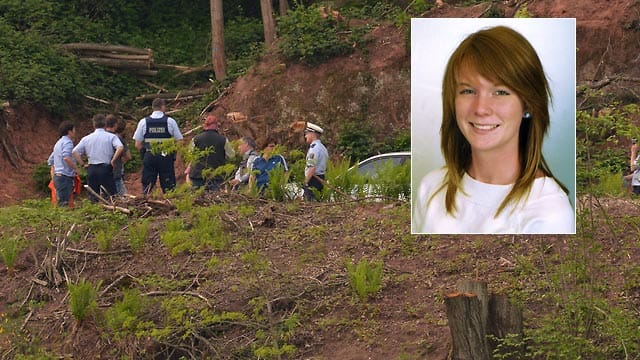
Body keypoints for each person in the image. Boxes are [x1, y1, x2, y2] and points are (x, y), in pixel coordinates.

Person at [413, 25, 574, 234]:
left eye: (500, 92)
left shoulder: (549, 213)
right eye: (468, 90)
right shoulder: (431, 188)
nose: (480, 108)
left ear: (528, 104)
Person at [133, 98, 184, 194]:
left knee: (147, 185)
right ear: (163, 107)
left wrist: (145, 154)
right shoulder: (170, 121)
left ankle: (146, 203)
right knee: (168, 185)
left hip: (149, 156)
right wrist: (175, 154)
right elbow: (180, 141)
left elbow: (137, 144)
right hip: (165, 157)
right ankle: (170, 203)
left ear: (152, 108)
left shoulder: (143, 122)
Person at [72, 114, 124, 200]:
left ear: (93, 125)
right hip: (106, 168)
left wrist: (82, 164)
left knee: (93, 196)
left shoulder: (87, 138)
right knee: (111, 195)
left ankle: (94, 210)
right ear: (105, 124)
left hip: (92, 168)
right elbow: (120, 147)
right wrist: (113, 160)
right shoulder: (111, 137)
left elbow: (75, 152)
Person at [185, 114, 235, 191]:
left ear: (206, 125)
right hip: (216, 176)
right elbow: (232, 155)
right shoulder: (223, 140)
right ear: (215, 125)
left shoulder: (196, 139)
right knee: (216, 200)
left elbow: (190, 155)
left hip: (197, 175)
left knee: (196, 199)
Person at [47, 121, 80, 207]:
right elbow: (66, 157)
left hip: (58, 176)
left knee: (61, 202)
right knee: (64, 203)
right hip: (65, 177)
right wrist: (76, 168)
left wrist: (53, 176)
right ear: (69, 131)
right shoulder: (68, 143)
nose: (75, 132)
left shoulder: (58, 143)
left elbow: (51, 161)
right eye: (74, 130)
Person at [106, 115, 132, 196]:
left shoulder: (100, 137)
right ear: (115, 125)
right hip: (115, 171)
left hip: (101, 172)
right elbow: (128, 156)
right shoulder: (118, 138)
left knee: (105, 196)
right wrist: (120, 161)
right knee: (122, 197)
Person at [303, 122, 328, 201]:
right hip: (321, 178)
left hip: (313, 179)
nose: (305, 136)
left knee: (310, 204)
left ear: (312, 134)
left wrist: (305, 182)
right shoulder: (322, 147)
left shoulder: (314, 148)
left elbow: (312, 167)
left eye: (306, 133)